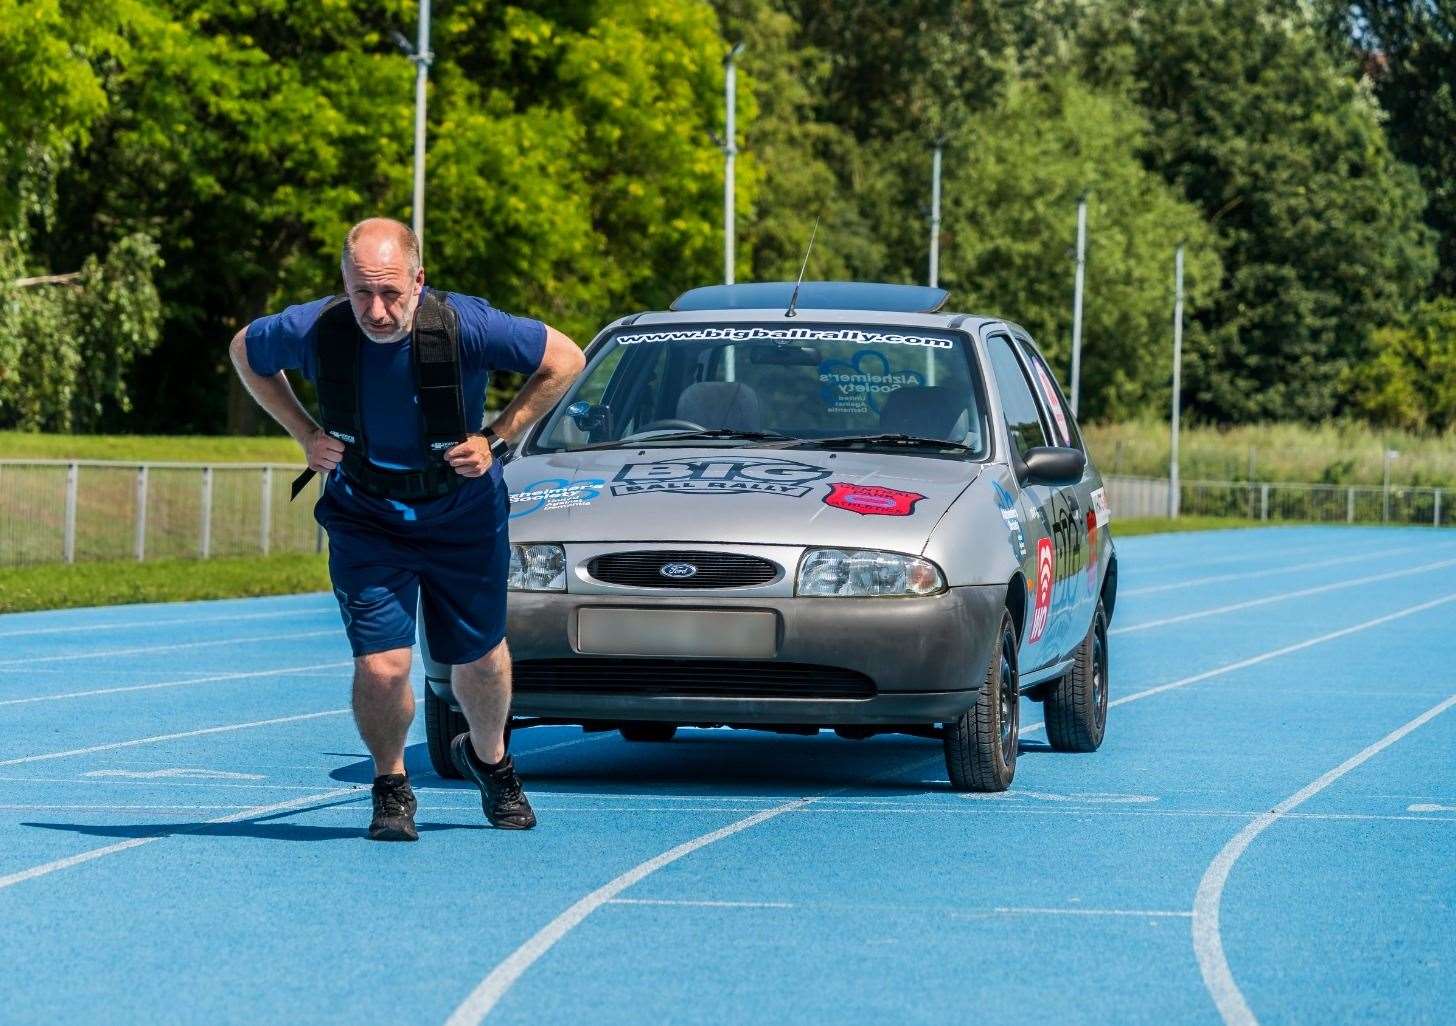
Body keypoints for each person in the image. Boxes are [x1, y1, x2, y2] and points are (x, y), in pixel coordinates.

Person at [228, 217, 584, 841]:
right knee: (383, 666)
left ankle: (492, 759)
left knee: (477, 660)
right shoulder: (316, 328)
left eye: (392, 292)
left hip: (462, 514)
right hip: (366, 515)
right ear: (343, 283)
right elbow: (245, 351)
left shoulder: (466, 325)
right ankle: (391, 784)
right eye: (362, 292)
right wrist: (305, 432)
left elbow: (567, 358)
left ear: (418, 281)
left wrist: (497, 439)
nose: (377, 309)